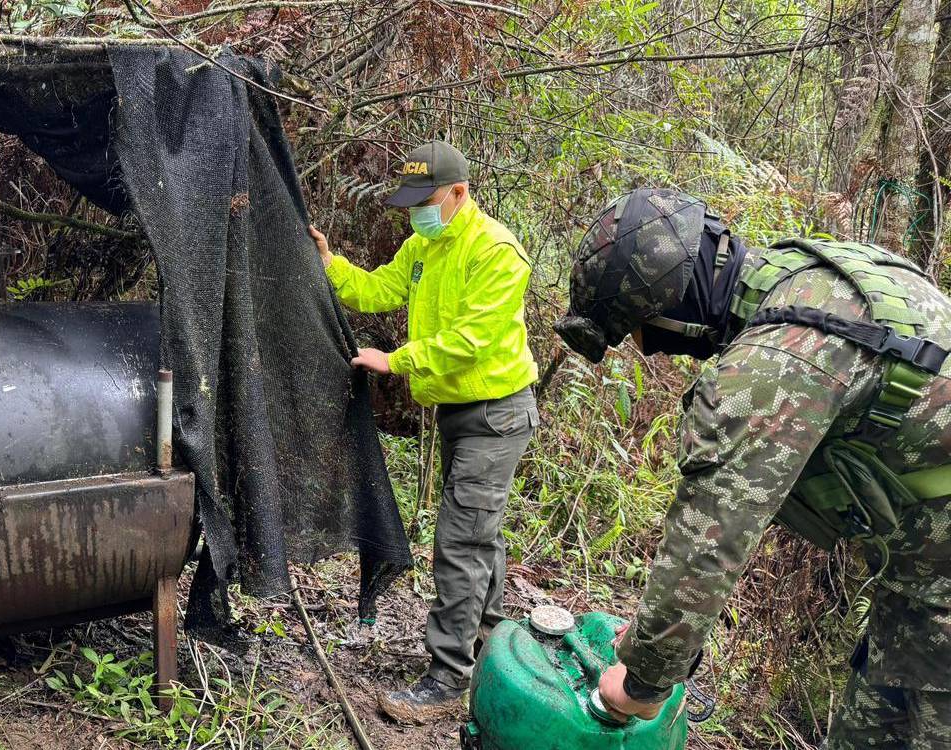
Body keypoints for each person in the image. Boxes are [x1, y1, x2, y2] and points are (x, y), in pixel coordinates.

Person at [553, 187, 951, 748]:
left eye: (641, 335)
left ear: (674, 311)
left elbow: (709, 541)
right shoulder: (803, 276)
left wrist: (642, 682)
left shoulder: (775, 362)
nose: (647, 352)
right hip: (920, 586)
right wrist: (653, 642)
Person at [308, 141, 539, 724]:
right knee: (479, 532)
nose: (417, 213)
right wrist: (329, 262)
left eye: (426, 201)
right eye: (411, 204)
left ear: (459, 193)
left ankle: (447, 679)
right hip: (461, 414)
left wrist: (398, 360)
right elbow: (379, 290)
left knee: (460, 541)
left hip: (497, 415)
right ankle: (487, 639)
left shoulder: (496, 252)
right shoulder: (424, 244)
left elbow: (472, 342)